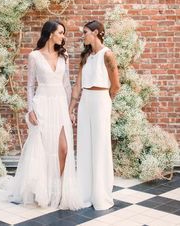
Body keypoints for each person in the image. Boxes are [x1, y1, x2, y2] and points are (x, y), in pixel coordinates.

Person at [10, 20, 82, 210]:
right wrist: (30, 109)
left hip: (59, 104)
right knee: (43, 150)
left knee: (63, 149)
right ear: (50, 34)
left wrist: (70, 110)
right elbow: (30, 85)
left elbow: (66, 84)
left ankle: (58, 191)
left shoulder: (63, 55)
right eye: (60, 32)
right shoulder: (34, 56)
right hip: (41, 104)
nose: (63, 36)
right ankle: (45, 191)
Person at [69, 20, 120, 210]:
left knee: (100, 145)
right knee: (85, 145)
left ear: (96, 32)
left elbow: (116, 85)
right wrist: (72, 107)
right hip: (85, 102)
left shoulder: (107, 54)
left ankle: (100, 194)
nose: (83, 36)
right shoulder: (86, 57)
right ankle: (85, 192)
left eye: (85, 32)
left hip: (100, 100)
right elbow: (77, 84)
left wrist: (106, 100)